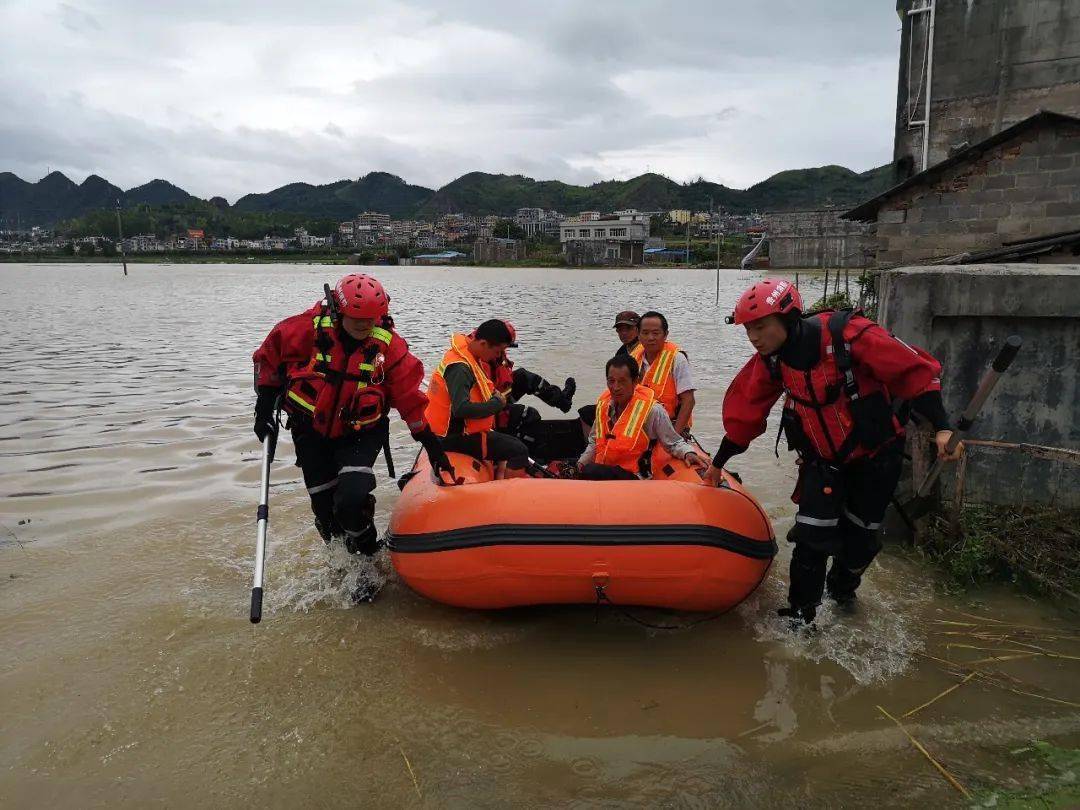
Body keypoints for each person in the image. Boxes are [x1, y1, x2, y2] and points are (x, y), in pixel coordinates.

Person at [704, 278, 963, 626]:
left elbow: (914, 372)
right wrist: (717, 464)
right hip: (822, 463)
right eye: (749, 328)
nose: (753, 337)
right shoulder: (770, 362)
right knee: (810, 539)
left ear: (789, 318)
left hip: (876, 459)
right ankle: (800, 618)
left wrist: (943, 427)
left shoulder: (850, 336)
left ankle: (842, 592)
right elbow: (744, 417)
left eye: (761, 326)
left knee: (860, 543)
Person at [252, 273, 454, 559]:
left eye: (371, 319)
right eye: (356, 318)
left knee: (350, 500)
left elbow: (410, 400)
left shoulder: (390, 348)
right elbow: (268, 359)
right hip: (311, 431)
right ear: (338, 310)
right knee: (325, 512)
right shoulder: (303, 330)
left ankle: (368, 552)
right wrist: (263, 412)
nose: (364, 325)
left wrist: (432, 446)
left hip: (360, 432)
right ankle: (341, 563)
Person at [425, 319, 532, 476]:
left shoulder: (468, 356)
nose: (497, 356)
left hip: (455, 431)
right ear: (483, 343)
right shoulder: (460, 368)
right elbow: (460, 409)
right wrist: (497, 404)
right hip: (452, 437)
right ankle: (509, 496)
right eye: (497, 351)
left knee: (511, 441)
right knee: (519, 451)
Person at [577, 355, 706, 480]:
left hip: (635, 477)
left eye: (622, 381)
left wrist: (688, 453)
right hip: (606, 469)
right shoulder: (604, 406)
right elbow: (594, 442)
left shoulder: (652, 411)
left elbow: (673, 442)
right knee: (583, 468)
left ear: (635, 382)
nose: (615, 387)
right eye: (611, 381)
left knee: (591, 471)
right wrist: (579, 465)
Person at [629, 311, 696, 436]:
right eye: (645, 333)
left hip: (670, 424)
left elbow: (689, 400)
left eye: (655, 333)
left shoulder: (677, 358)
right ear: (638, 335)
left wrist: (674, 436)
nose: (650, 338)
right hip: (638, 422)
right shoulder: (633, 358)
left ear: (665, 335)